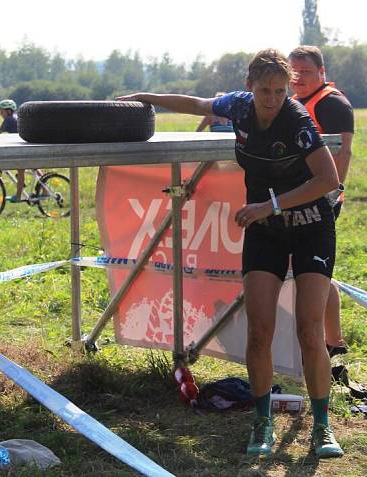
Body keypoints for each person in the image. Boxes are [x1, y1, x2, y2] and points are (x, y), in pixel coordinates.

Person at [118, 49, 344, 458]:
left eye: (280, 90)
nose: (272, 98)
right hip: (265, 233)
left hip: (311, 228)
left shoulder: (297, 120)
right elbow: (196, 105)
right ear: (249, 87)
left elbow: (329, 179)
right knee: (260, 331)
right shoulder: (238, 108)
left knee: (310, 331)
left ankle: (323, 427)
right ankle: (262, 422)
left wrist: (270, 205)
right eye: (264, 91)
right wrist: (147, 97)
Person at [289, 45, 354, 358]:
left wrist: (329, 195)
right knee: (315, 271)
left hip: (321, 199)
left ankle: (333, 343)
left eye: (306, 72)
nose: (299, 78)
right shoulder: (297, 102)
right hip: (301, 198)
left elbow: (343, 153)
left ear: (321, 73)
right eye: (294, 72)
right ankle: (333, 343)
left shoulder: (332, 103)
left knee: (314, 271)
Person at [0, 99, 25, 201]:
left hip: (21, 149)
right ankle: (44, 189)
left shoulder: (9, 119)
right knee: (34, 168)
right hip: (26, 146)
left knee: (20, 169)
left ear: (8, 111)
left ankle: (18, 196)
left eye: (2, 111)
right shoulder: (17, 117)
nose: (1, 114)